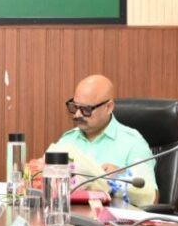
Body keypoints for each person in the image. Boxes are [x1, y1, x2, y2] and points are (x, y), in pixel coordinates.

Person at [49, 74, 157, 206]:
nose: (77, 115)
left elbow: (152, 198)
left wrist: (121, 177)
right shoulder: (68, 140)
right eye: (75, 107)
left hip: (113, 217)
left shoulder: (133, 143)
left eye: (86, 109)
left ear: (109, 107)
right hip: (70, 215)